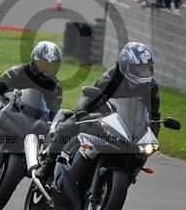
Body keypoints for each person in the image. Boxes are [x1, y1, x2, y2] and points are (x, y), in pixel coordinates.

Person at [39, 42, 161, 180]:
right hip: (101, 111)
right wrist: (84, 113)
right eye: (138, 68)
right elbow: (94, 98)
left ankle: (129, 174)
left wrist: (152, 135)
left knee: (142, 151)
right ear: (125, 65)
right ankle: (47, 165)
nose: (143, 72)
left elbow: (154, 116)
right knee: (68, 126)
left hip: (127, 124)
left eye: (146, 68)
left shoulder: (150, 86)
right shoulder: (112, 76)